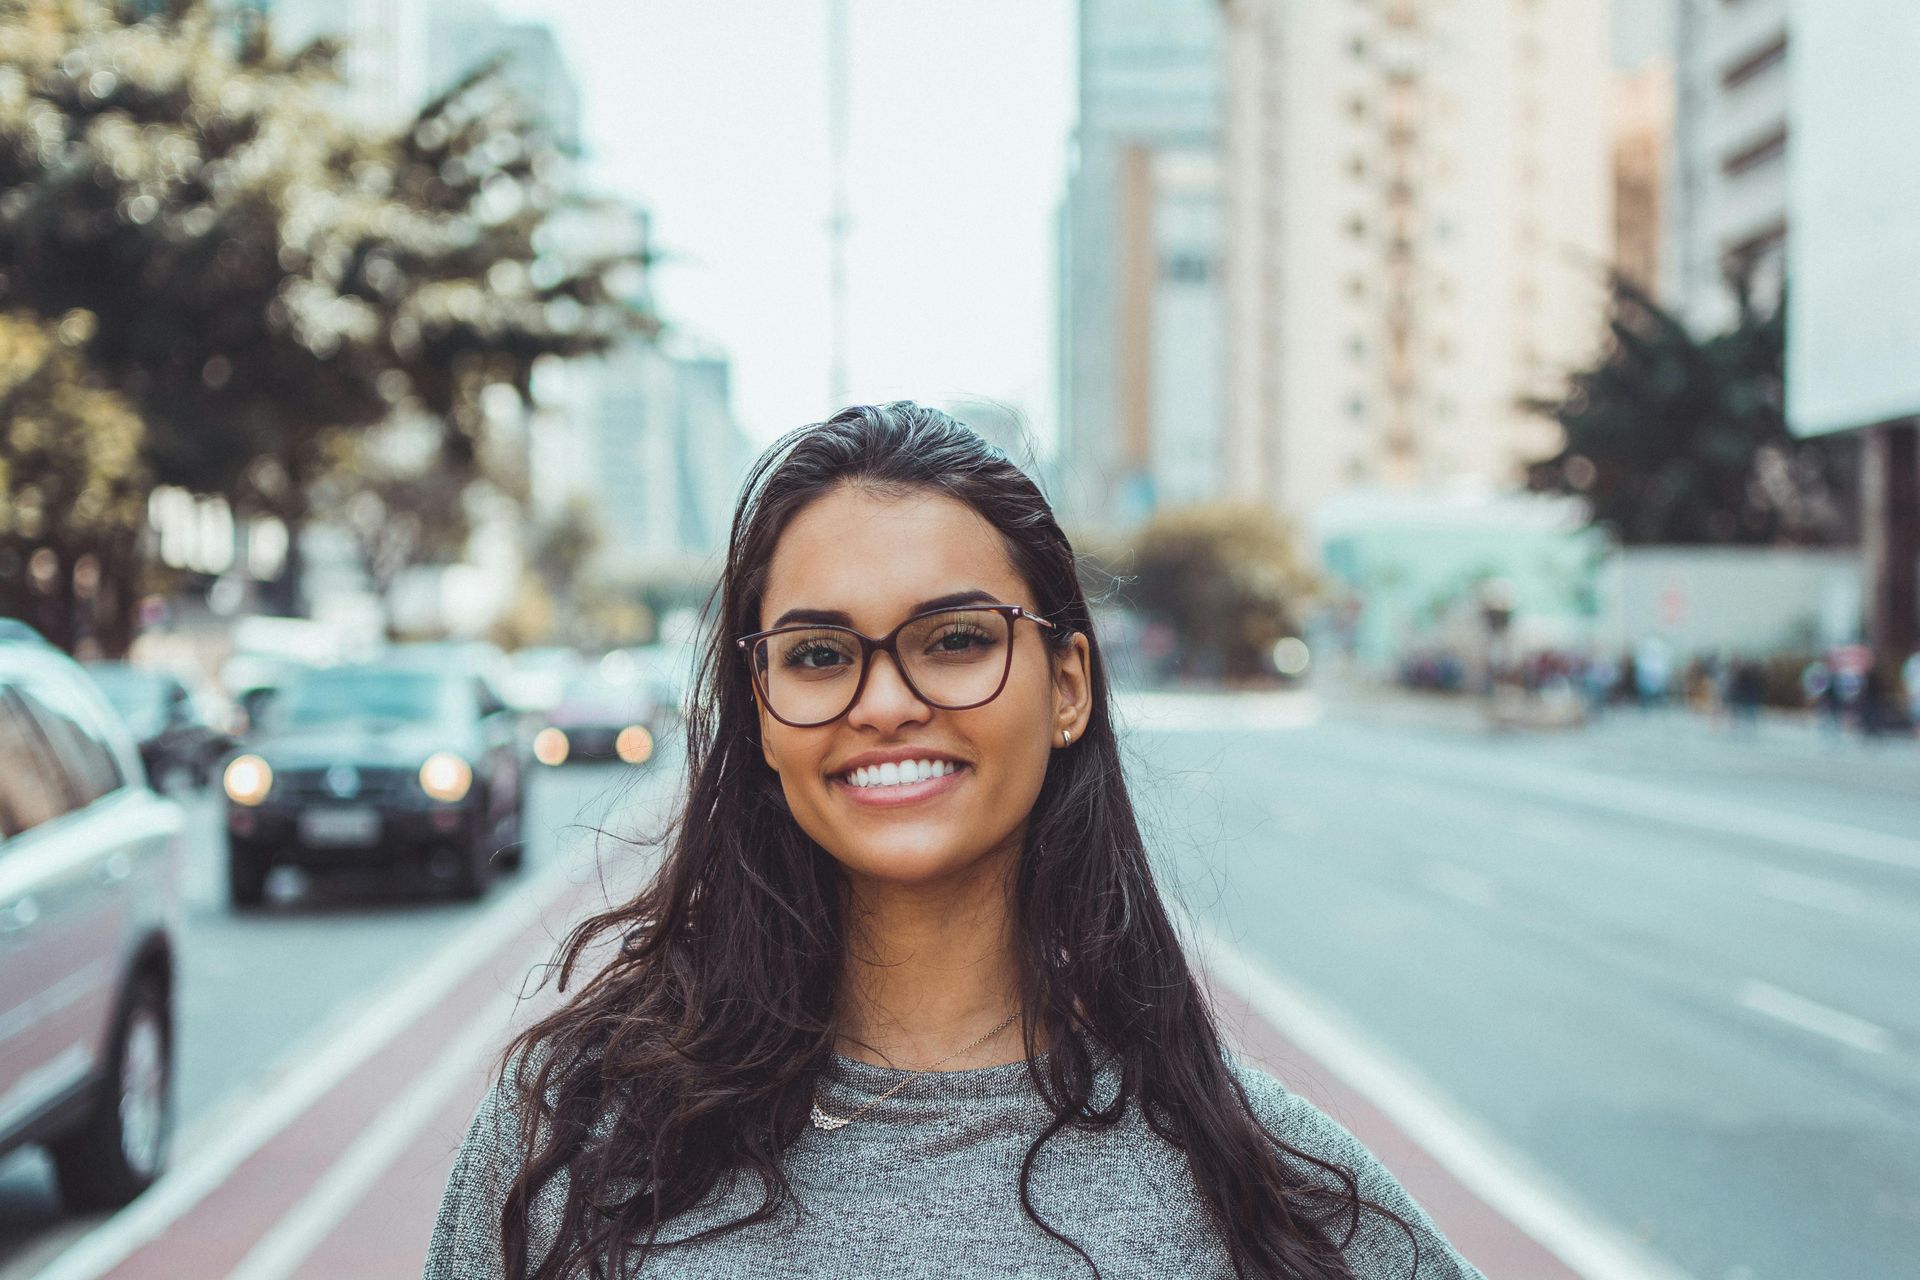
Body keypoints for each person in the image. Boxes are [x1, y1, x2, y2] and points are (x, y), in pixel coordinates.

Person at [425, 403, 1485, 1279]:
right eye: (820, 652)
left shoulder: (1258, 1187)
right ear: (758, 707)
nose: (884, 701)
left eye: (958, 639)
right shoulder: (568, 1140)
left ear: (1066, 685)